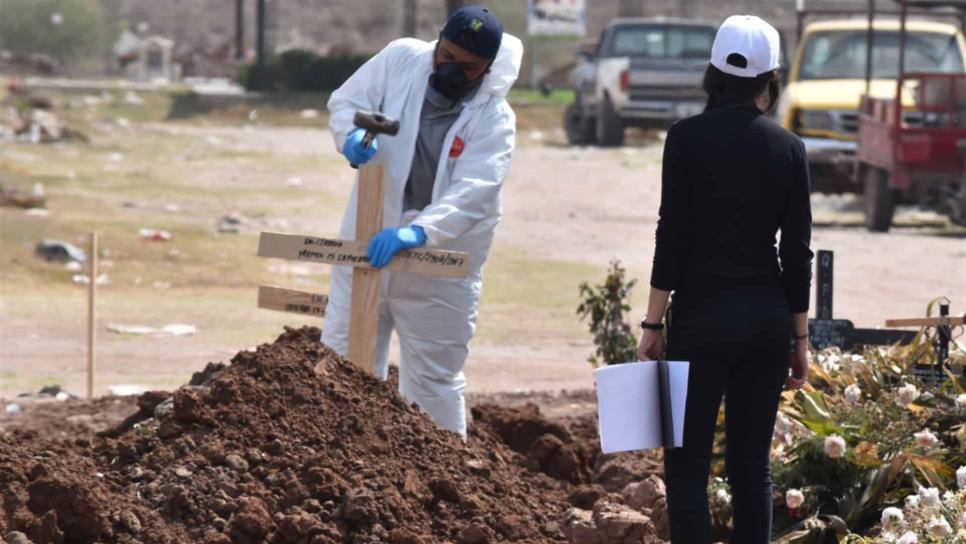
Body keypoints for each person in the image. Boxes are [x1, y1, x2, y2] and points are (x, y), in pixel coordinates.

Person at [635, 15, 814, 543]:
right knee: (751, 467)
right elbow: (798, 254)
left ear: (713, 74)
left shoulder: (684, 139)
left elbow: (673, 235)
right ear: (771, 80)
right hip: (765, 322)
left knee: (687, 466)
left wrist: (652, 321)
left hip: (701, 321)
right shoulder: (788, 148)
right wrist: (799, 337)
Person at [323, 6, 522, 438]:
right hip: (370, 238)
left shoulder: (494, 118)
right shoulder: (401, 61)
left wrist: (420, 232)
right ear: (437, 44)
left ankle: (443, 491)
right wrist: (350, 136)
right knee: (343, 367)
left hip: (439, 266)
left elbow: (476, 190)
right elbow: (346, 102)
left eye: (468, 68)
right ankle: (338, 469)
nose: (451, 72)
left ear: (487, 68)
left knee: (433, 383)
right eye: (447, 58)